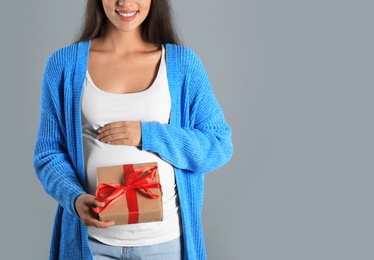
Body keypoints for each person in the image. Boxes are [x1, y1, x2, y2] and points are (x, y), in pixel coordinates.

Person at [33, 0, 233, 259]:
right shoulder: (63, 65)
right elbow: (48, 154)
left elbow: (218, 144)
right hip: (92, 244)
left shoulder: (182, 65)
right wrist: (74, 198)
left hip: (165, 244)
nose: (125, 3)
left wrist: (147, 135)